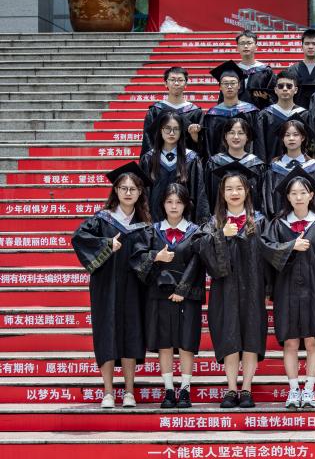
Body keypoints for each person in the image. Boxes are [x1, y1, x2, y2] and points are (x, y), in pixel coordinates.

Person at [71, 162, 153, 409]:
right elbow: (79, 238)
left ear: (140, 192)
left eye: (133, 189)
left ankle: (129, 392)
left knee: (131, 334)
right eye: (123, 188)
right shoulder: (102, 219)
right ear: (115, 190)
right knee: (106, 333)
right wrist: (106, 244)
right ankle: (108, 392)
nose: (128, 193)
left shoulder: (145, 224)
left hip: (134, 287)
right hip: (105, 286)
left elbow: (150, 254)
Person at [262, 168, 315, 410]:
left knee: (312, 342)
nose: (298, 197)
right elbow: (266, 250)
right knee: (290, 342)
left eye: (303, 192)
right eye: (293, 193)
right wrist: (291, 246)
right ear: (287, 197)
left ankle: (309, 389)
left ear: (311, 196)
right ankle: (293, 389)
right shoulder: (277, 224)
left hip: (313, 291)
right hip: (286, 290)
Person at [198, 161, 269, 409]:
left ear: (247, 191)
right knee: (229, 337)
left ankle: (246, 388)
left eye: (239, 188)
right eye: (229, 188)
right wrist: (221, 236)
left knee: (251, 337)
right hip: (224, 289)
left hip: (253, 287)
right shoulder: (214, 222)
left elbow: (270, 252)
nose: (234, 193)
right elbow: (200, 248)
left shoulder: (259, 221)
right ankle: (230, 388)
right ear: (222, 192)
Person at [143, 183, 204, 410]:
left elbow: (198, 263)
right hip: (160, 295)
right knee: (165, 343)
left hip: (188, 295)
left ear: (186, 205)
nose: (174, 206)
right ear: (163, 204)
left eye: (179, 202)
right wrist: (155, 257)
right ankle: (169, 390)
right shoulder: (153, 230)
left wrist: (182, 290)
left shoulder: (196, 231)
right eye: (169, 202)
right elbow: (141, 258)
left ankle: (185, 390)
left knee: (187, 343)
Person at [139, 113, 207, 222]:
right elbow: (144, 195)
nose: (171, 133)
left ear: (181, 132)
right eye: (167, 128)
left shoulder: (191, 159)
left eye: (176, 129)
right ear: (160, 130)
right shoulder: (148, 159)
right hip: (155, 223)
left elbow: (199, 193)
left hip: (184, 223)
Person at [262, 120, 315, 216]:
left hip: (309, 221)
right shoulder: (274, 168)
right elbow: (268, 202)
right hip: (280, 221)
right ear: (282, 138)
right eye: (287, 135)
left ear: (302, 137)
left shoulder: (314, 168)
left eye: (296, 135)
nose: (291, 138)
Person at [202, 117, 267, 214]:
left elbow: (262, 199)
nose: (236, 137)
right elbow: (207, 195)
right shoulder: (214, 163)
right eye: (231, 133)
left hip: (251, 219)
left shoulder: (257, 165)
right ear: (225, 136)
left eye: (241, 133)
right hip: (219, 219)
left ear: (247, 137)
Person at [201, 61, 260, 160]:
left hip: (247, 163)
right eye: (225, 83)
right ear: (220, 87)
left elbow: (258, 142)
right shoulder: (212, 115)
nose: (229, 86)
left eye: (233, 83)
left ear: (239, 85)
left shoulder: (251, 111)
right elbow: (209, 145)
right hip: (220, 164)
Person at [254, 70, 312, 164]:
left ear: (296, 90)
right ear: (275, 90)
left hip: (300, 167)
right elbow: (260, 146)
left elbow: (309, 145)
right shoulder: (265, 115)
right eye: (281, 86)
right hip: (272, 168)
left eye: (289, 86)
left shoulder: (305, 115)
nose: (285, 89)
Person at [141, 66, 202, 154]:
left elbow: (201, 144)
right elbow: (148, 141)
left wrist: (194, 134)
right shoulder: (155, 110)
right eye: (172, 80)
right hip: (160, 159)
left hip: (187, 159)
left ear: (186, 84)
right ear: (166, 83)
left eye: (180, 80)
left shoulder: (195, 112)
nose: (176, 83)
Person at [285, 28, 315, 110]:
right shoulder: (292, 70)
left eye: (314, 44)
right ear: (302, 47)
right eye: (307, 43)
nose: (310, 47)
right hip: (297, 112)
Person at [235, 29, 277, 110]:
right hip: (236, 114)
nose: (246, 46)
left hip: (260, 113)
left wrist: (266, 98)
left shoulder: (265, 70)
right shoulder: (232, 71)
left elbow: (274, 96)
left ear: (256, 47)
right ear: (237, 48)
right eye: (242, 43)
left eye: (249, 43)